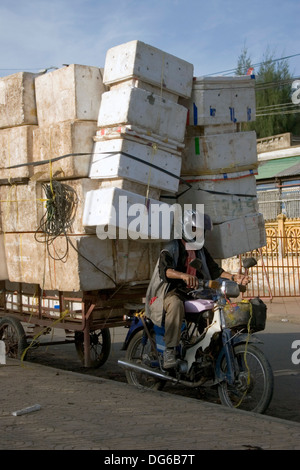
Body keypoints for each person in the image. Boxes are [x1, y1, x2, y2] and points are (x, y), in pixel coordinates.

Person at [145, 212, 251, 369]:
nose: (200, 233)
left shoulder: (200, 249)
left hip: (194, 293)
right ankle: (170, 350)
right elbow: (165, 271)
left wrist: (234, 277)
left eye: (202, 230)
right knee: (175, 305)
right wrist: (183, 275)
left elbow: (215, 270)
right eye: (196, 229)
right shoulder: (172, 247)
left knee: (215, 308)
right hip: (171, 292)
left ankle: (207, 351)